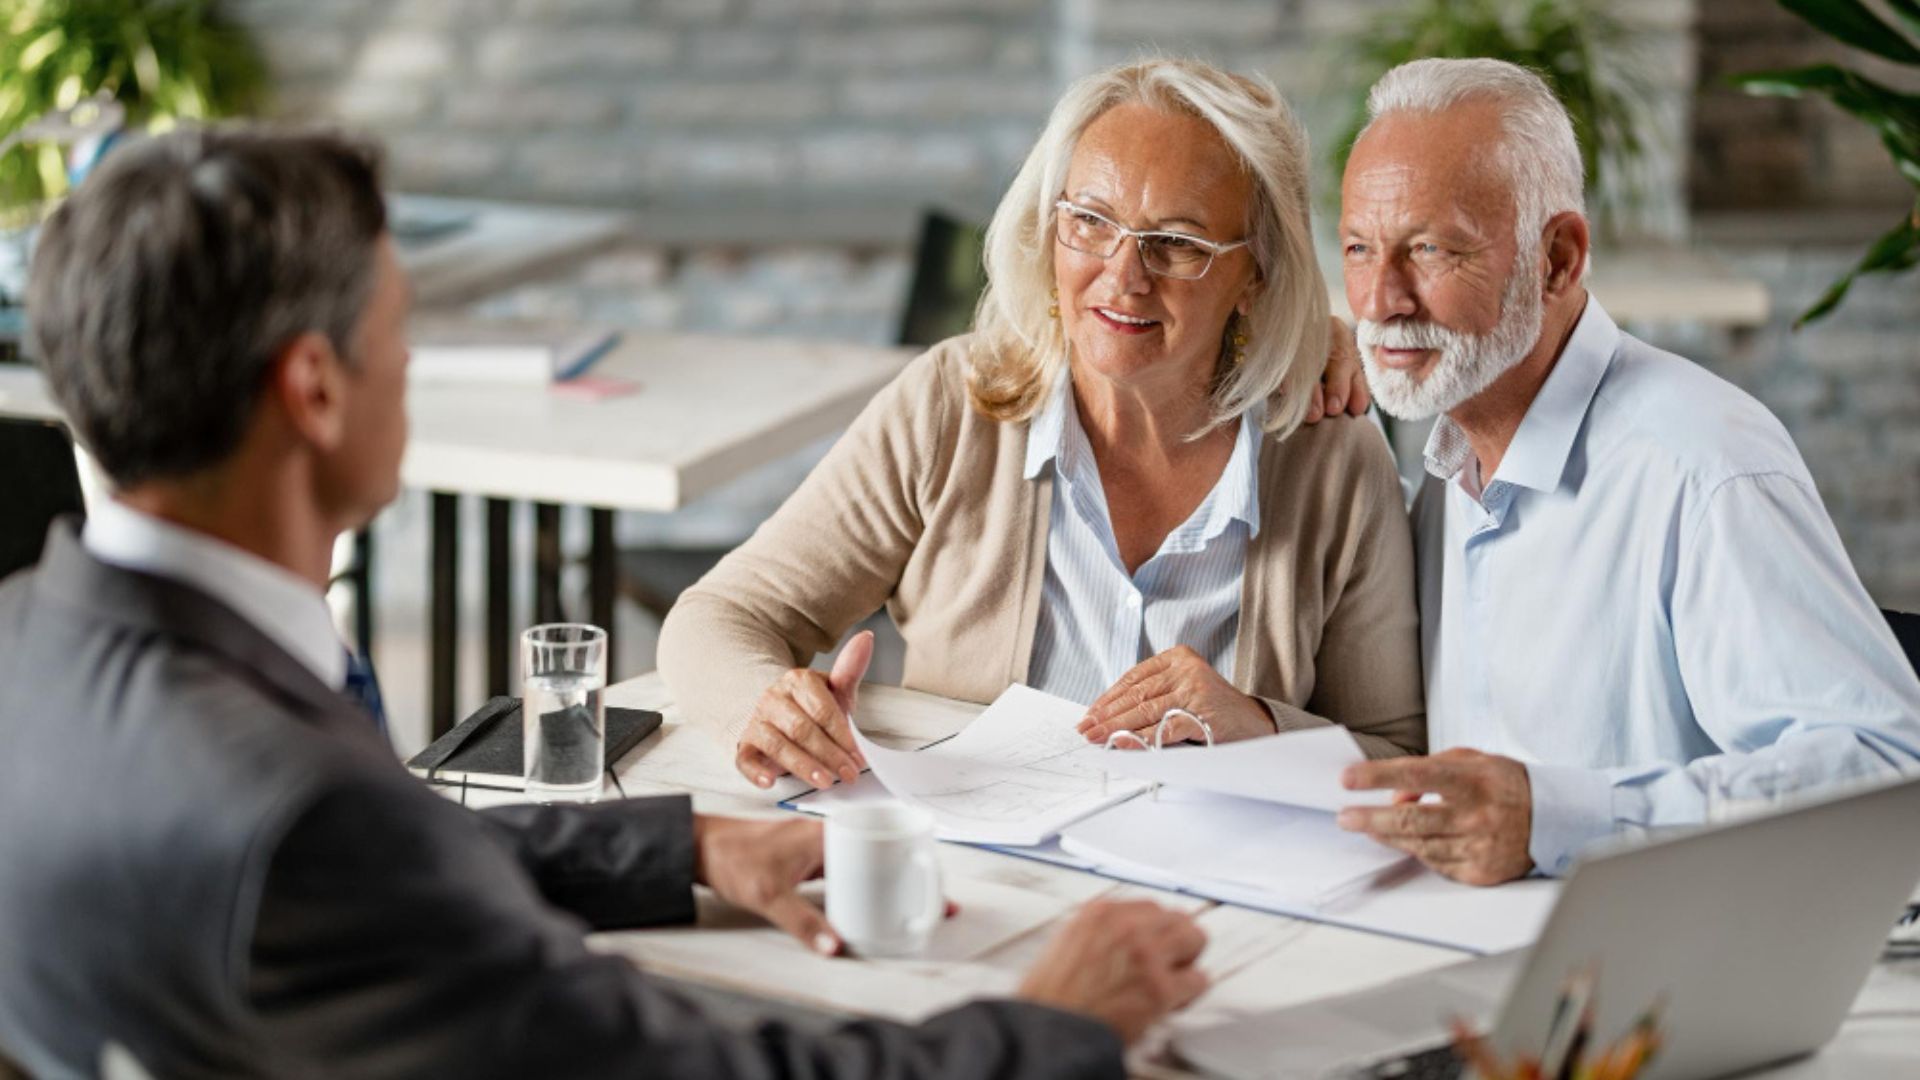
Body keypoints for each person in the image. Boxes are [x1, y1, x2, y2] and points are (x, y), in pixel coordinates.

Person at [0, 127, 1212, 1080]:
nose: (412, 367)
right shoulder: (300, 813)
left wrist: (678, 844)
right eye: (399, 330)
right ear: (314, 389)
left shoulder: (28, 647)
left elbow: (375, 873)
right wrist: (1052, 1028)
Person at [659, 58, 1422, 792]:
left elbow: (1396, 752)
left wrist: (1258, 725)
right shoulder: (952, 407)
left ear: (1255, 272)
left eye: (1179, 244)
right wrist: (768, 706)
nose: (1123, 276)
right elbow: (721, 618)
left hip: (1214, 904)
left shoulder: (1332, 454)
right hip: (978, 878)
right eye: (1090, 222)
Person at [1332, 58, 1920, 884]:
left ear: (1560, 258)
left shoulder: (1705, 467)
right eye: (1360, 248)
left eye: (1431, 249)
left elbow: (1887, 771)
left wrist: (1564, 820)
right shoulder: (1447, 457)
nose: (1380, 299)